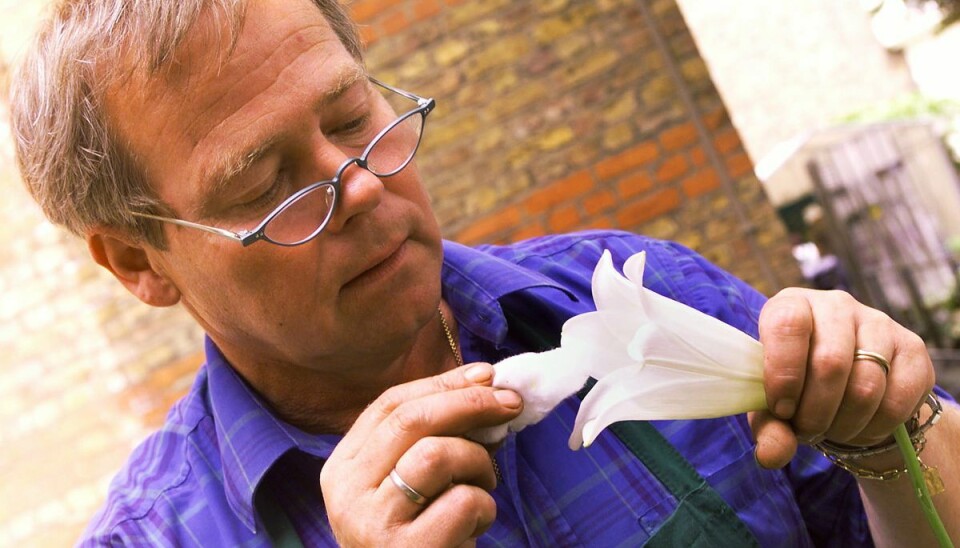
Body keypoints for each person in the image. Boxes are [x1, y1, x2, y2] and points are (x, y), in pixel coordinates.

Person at [9, 0, 958, 546]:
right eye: (266, 183)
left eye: (349, 119)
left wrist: (899, 434)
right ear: (139, 260)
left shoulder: (638, 293)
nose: (364, 188)